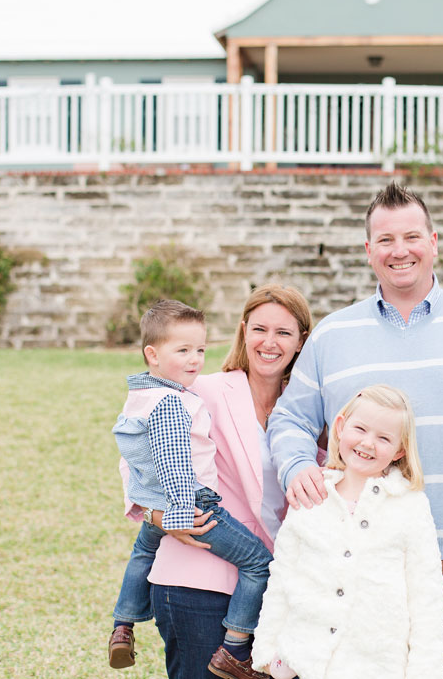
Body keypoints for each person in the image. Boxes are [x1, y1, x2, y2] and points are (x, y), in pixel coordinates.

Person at [268, 181, 443, 679]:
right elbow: (290, 418)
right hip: (357, 564)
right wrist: (295, 465)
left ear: (434, 241)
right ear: (369, 251)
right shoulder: (334, 335)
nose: (400, 251)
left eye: (412, 237)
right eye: (385, 240)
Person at [119, 285, 316, 679]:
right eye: (260, 329)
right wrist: (158, 516)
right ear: (244, 331)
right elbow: (137, 455)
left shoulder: (308, 407)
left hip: (275, 584)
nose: (269, 342)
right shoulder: (202, 389)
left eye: (284, 333)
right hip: (195, 574)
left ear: (301, 342)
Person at [251, 385, 443, 679]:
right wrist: (267, 653)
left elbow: (426, 599)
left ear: (400, 450)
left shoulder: (410, 505)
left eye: (384, 438)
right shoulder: (311, 495)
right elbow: (282, 578)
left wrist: (425, 673)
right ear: (341, 427)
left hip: (377, 667)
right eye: (361, 429)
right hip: (304, 666)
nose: (368, 443)